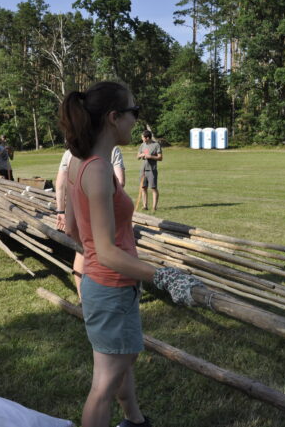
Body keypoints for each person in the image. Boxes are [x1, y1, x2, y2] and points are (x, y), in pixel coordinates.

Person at [58, 81, 203, 427]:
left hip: (101, 284)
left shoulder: (79, 161)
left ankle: (134, 420)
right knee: (104, 384)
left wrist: (97, 252)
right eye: (133, 112)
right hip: (111, 286)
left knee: (120, 363)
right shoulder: (98, 168)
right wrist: (164, 276)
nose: (136, 120)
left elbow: (73, 229)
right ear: (113, 117)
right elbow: (107, 252)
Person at [55, 146, 125, 298]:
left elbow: (60, 185)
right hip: (105, 210)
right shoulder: (111, 149)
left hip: (79, 211)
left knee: (82, 251)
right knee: (109, 250)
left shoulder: (71, 152)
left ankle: (83, 297)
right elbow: (120, 182)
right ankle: (109, 292)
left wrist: (60, 211)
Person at [136, 130, 162, 212]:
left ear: (147, 138)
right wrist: (142, 155)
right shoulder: (142, 145)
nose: (142, 139)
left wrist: (150, 156)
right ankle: (145, 206)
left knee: (153, 188)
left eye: (143, 137)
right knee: (143, 188)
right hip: (143, 170)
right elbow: (137, 156)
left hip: (152, 170)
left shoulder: (156, 145)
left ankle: (154, 207)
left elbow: (160, 157)